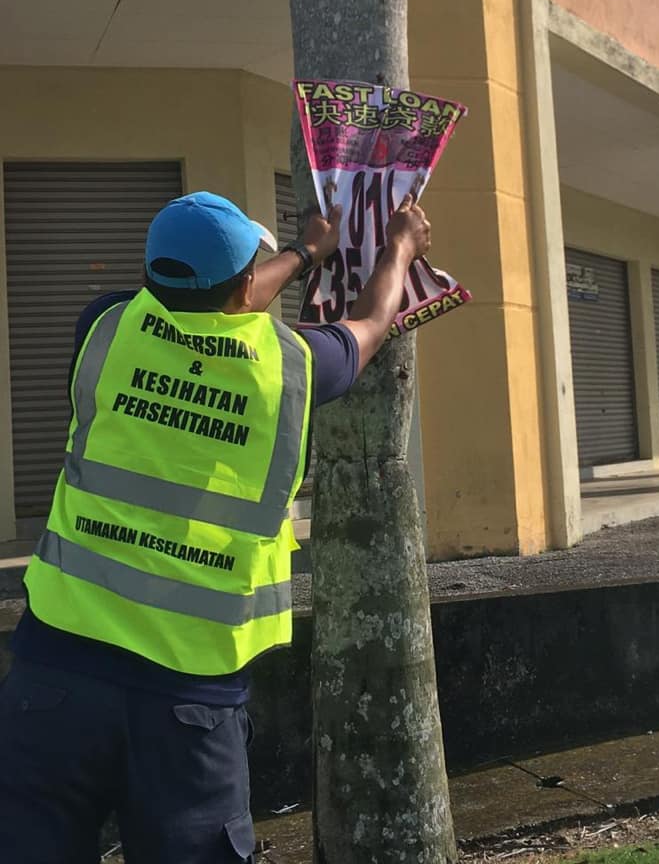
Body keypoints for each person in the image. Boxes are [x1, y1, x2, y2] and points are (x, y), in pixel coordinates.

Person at [0, 189, 431, 864]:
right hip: (186, 702)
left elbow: (222, 298)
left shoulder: (105, 328)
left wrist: (300, 253)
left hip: (53, 675)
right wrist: (400, 246)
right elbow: (370, 324)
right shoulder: (292, 368)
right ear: (241, 288)